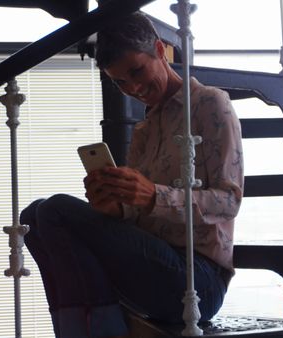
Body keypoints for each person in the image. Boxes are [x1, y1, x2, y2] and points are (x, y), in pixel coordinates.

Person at [20, 12, 244, 338]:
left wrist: (154, 195)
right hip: (150, 265)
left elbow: (229, 202)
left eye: (137, 71)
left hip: (197, 280)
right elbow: (138, 214)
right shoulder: (144, 129)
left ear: (159, 49)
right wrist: (115, 206)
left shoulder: (210, 104)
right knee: (34, 218)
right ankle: (87, 328)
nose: (134, 87)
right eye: (120, 82)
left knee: (54, 210)